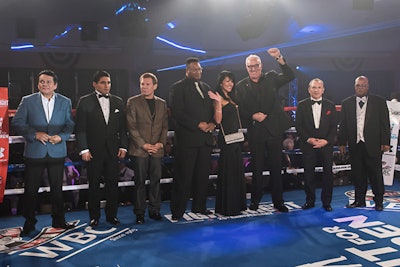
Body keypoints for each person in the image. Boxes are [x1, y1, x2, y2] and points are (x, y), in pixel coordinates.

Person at [12, 70, 75, 236]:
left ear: (55, 85)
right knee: (31, 190)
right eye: (41, 82)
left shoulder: (65, 101)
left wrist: (61, 137)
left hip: (56, 151)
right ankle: (29, 222)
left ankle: (59, 220)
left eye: (48, 82)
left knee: (57, 189)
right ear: (38, 84)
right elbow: (17, 122)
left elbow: (69, 125)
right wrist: (34, 134)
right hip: (34, 151)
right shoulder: (28, 101)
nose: (44, 84)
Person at [235, 48, 295, 212]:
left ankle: (278, 201)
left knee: (276, 168)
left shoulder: (271, 77)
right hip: (256, 131)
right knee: (257, 168)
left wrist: (279, 58)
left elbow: (290, 76)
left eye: (255, 66)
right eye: (250, 67)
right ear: (246, 68)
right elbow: (239, 109)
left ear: (261, 66)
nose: (253, 69)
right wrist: (253, 115)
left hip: (274, 129)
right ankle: (255, 201)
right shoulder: (241, 86)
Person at [75, 70, 128, 226]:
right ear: (95, 84)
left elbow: (122, 128)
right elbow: (80, 128)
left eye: (109, 82)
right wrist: (84, 149)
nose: (107, 85)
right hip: (93, 151)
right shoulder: (84, 101)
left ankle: (112, 215)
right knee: (94, 185)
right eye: (103, 82)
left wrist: (124, 146)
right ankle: (94, 216)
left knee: (113, 184)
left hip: (113, 150)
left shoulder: (118, 101)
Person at [169, 57, 216, 220]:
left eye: (200, 69)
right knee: (183, 177)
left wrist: (211, 124)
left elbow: (211, 109)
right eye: (194, 69)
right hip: (187, 140)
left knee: (202, 177)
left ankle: (199, 206)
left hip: (204, 140)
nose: (198, 72)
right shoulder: (178, 88)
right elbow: (177, 112)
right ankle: (177, 211)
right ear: (187, 70)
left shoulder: (206, 87)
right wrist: (198, 124)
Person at [338, 75, 390, 211]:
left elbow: (385, 123)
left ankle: (378, 202)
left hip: (373, 144)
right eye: (358, 85)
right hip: (355, 144)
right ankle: (359, 200)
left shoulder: (379, 101)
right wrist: (342, 142)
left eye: (363, 85)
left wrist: (385, 141)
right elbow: (343, 125)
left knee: (376, 175)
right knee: (358, 174)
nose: (360, 88)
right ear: (354, 86)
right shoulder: (346, 103)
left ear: (368, 86)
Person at [126, 72, 168, 224]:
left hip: (157, 149)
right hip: (139, 149)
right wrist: (144, 145)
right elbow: (131, 127)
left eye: (147, 84)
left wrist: (160, 143)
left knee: (156, 181)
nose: (144, 87)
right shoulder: (133, 102)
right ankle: (139, 213)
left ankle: (155, 210)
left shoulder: (162, 103)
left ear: (155, 86)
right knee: (140, 182)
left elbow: (164, 126)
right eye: (142, 84)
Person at [295, 78, 338, 212]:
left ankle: (327, 202)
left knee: (328, 174)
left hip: (326, 145)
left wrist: (326, 141)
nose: (316, 90)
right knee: (309, 174)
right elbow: (299, 125)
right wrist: (308, 139)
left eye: (319, 87)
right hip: (309, 145)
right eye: (314, 87)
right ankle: (310, 200)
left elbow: (333, 126)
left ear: (323, 89)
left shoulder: (330, 105)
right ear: (309, 89)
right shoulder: (302, 105)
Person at [208, 70, 247, 216]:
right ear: (220, 83)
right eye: (227, 81)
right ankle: (228, 206)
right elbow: (218, 120)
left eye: (231, 80)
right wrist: (218, 103)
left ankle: (237, 204)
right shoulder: (218, 98)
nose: (230, 83)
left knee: (236, 171)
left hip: (236, 138)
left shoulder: (232, 97)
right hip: (227, 140)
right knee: (229, 172)